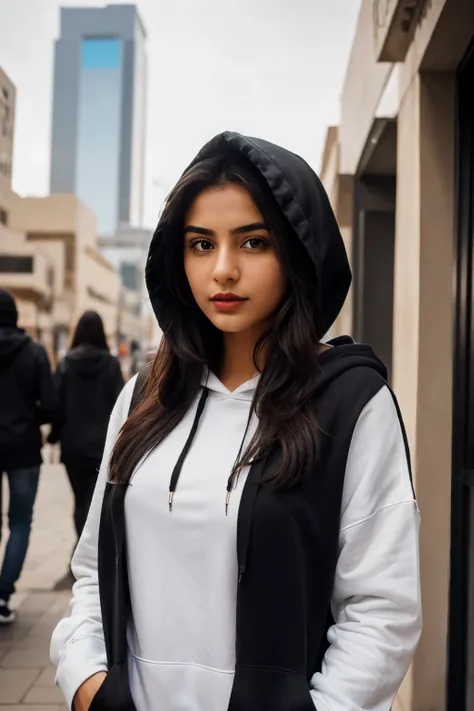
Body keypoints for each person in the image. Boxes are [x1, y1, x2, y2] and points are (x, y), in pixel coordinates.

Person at [51, 132, 422, 711]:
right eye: (201, 244)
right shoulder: (144, 397)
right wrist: (87, 685)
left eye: (253, 242)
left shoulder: (350, 404)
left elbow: (381, 613)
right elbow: (94, 571)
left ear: (297, 252)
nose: (222, 270)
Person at [0, 288, 56, 624]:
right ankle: (3, 595)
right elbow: (49, 405)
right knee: (20, 523)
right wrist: (28, 420)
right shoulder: (33, 352)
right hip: (23, 447)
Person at [48, 311, 124, 543]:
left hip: (72, 446)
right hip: (102, 445)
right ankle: (89, 549)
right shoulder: (111, 365)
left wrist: (53, 436)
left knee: (79, 499)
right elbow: (121, 404)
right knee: (94, 500)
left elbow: (55, 405)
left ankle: (81, 544)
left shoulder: (66, 365)